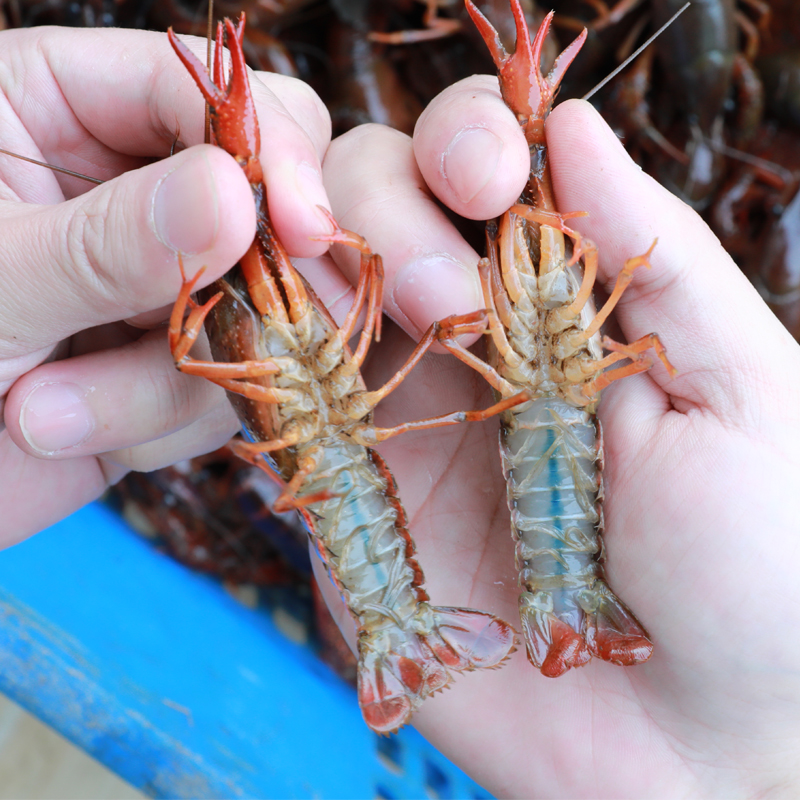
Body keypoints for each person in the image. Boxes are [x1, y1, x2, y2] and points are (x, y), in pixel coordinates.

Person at [0, 24, 798, 799]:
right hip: (384, 466)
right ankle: (418, 618)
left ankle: (509, 606)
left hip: (432, 465)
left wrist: (754, 762)